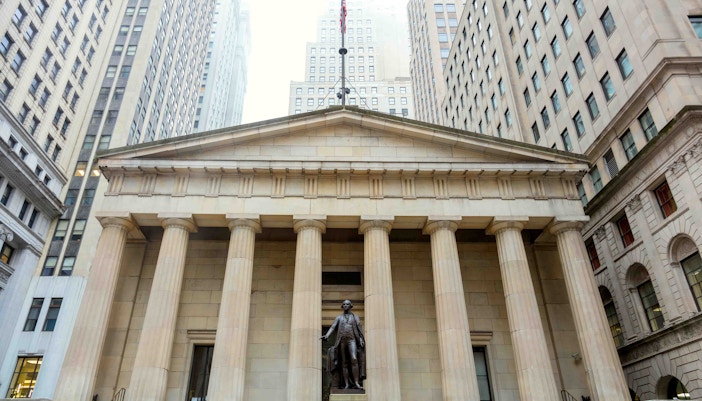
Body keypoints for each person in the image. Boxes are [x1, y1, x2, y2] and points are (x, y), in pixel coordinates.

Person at [320, 300, 365, 389]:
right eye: (344, 304)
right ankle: (347, 384)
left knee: (354, 358)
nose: (345, 305)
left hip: (352, 340)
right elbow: (333, 327)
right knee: (344, 362)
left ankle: (356, 382)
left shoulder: (355, 317)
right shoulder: (339, 318)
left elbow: (359, 329)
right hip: (341, 341)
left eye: (347, 304)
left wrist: (361, 339)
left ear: (351, 306)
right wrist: (327, 335)